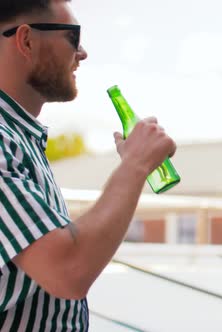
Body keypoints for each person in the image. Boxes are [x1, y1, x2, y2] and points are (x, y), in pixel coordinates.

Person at [0, 0, 176, 330]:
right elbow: (68, 269)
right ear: (26, 41)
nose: (82, 53)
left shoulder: (20, 139)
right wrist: (135, 165)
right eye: (72, 37)